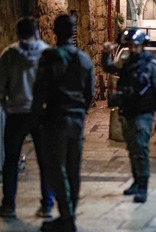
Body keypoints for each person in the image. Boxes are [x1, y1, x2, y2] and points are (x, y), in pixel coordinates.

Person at [32, 14, 95, 231]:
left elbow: (39, 89)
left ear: (55, 31)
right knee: (73, 169)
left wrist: (37, 115)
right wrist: (80, 112)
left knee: (55, 169)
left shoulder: (50, 57)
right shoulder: (85, 59)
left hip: (55, 120)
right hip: (76, 121)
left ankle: (67, 217)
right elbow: (90, 94)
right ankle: (69, 216)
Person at [102, 28, 156, 204]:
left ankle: (143, 187)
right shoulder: (126, 62)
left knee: (141, 148)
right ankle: (136, 181)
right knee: (132, 149)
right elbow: (108, 67)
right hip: (128, 113)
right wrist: (106, 54)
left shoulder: (151, 65)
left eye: (135, 46)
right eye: (130, 45)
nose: (132, 49)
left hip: (144, 114)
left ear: (142, 46)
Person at [0, 17, 54, 218]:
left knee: (11, 161)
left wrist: (6, 105)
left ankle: (8, 204)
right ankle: (47, 203)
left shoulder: (9, 54)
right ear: (37, 31)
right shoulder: (47, 53)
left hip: (15, 114)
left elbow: (0, 86)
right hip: (41, 114)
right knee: (45, 160)